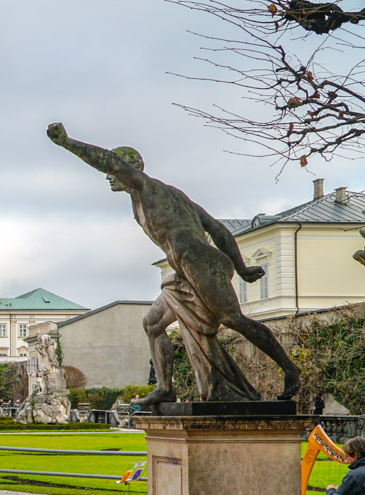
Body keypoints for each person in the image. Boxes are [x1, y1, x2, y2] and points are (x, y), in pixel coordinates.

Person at [48, 122, 300, 410]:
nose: (108, 176)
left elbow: (216, 230)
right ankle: (165, 388)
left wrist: (67, 143)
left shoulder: (147, 187)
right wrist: (241, 268)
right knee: (152, 324)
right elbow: (218, 229)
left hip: (200, 262)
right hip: (183, 267)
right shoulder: (156, 198)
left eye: (113, 170)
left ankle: (290, 368)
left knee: (233, 320)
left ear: (131, 168)